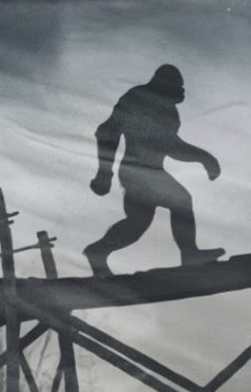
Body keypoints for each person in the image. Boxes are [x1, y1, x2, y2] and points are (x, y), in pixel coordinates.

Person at [82, 63, 225, 275]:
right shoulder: (139, 98)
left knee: (137, 224)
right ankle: (190, 255)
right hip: (138, 171)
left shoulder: (168, 110)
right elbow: (108, 132)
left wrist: (204, 158)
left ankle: (98, 251)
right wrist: (104, 172)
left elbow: (169, 145)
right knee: (182, 201)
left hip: (148, 171)